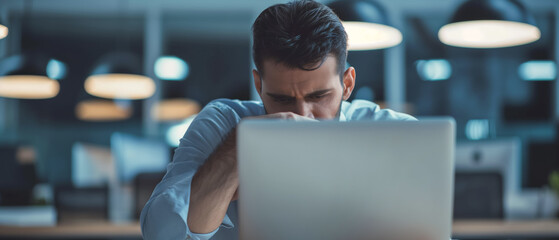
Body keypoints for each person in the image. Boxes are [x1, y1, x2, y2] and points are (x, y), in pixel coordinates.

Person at [140, 1, 415, 239]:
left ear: (347, 83)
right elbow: (161, 233)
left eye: (319, 96)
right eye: (283, 99)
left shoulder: (397, 133)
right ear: (259, 85)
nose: (301, 115)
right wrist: (240, 145)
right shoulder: (224, 123)